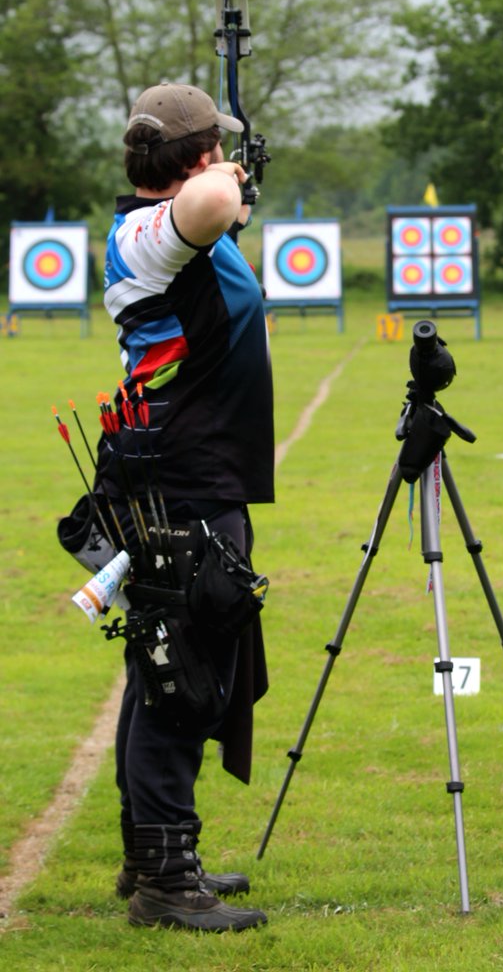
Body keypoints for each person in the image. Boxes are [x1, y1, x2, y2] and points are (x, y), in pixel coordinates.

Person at [94, 82, 273, 932]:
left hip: (194, 474)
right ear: (199, 158)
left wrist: (225, 190)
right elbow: (204, 201)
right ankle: (167, 880)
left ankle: (154, 854)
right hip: (183, 481)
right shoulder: (145, 231)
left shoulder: (182, 237)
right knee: (182, 676)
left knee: (162, 667)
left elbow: (210, 217)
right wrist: (223, 179)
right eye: (213, 153)